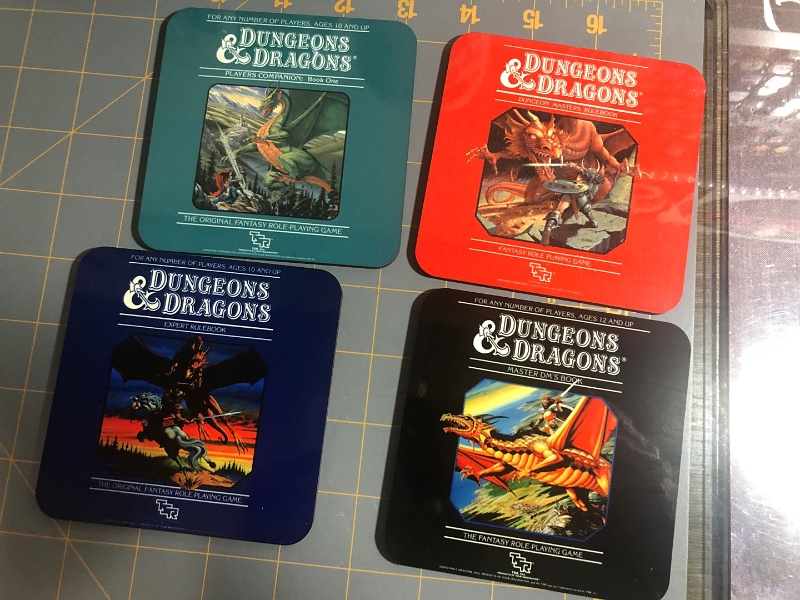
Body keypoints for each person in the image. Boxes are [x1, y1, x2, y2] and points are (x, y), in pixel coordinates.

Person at [541, 164, 605, 247]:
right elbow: (589, 192)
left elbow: (589, 188)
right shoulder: (593, 180)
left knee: (558, 210)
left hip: (575, 194)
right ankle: (593, 222)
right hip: (581, 197)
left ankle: (548, 228)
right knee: (586, 209)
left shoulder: (593, 179)